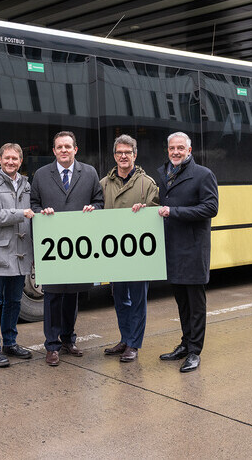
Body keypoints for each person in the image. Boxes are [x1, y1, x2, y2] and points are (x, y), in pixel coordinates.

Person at [30, 131, 104, 367]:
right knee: (52, 296)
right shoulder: (41, 175)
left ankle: (68, 340)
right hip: (52, 246)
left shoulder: (89, 172)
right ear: (54, 151)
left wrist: (94, 208)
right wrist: (42, 213)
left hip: (77, 246)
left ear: (75, 149)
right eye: (59, 147)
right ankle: (51, 346)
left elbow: (100, 202)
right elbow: (33, 204)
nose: (64, 150)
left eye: (67, 146)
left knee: (72, 295)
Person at [156, 132, 218, 373]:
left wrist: (175, 212)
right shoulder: (163, 174)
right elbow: (159, 204)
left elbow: (211, 208)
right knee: (181, 301)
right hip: (171, 248)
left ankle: (194, 351)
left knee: (195, 304)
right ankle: (185, 343)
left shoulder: (203, 174)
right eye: (172, 148)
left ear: (189, 151)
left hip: (193, 249)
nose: (175, 152)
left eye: (180, 148)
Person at [99, 134, 159, 363]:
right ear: (114, 156)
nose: (123, 156)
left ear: (135, 155)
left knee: (137, 300)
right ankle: (125, 338)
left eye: (128, 152)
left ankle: (134, 344)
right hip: (114, 253)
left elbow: (157, 214)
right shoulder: (104, 184)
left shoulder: (148, 184)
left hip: (138, 255)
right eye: (119, 153)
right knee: (119, 298)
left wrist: (145, 209)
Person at [0, 143, 36, 368]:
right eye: (7, 158)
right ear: (0, 159)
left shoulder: (26, 184)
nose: (11, 162)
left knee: (14, 301)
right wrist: (20, 214)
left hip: (21, 253)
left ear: (21, 161)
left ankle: (9, 343)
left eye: (15, 159)